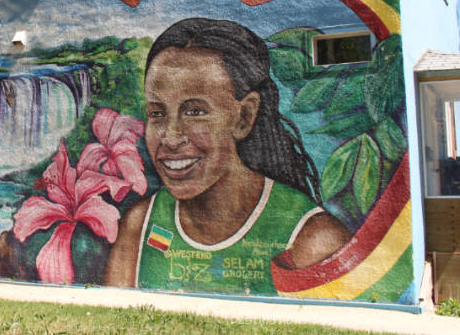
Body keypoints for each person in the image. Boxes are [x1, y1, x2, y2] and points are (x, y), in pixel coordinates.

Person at [104, 18, 350, 294]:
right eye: (157, 114)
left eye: (195, 111)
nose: (171, 138)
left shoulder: (312, 240)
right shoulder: (140, 227)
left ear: (244, 116)